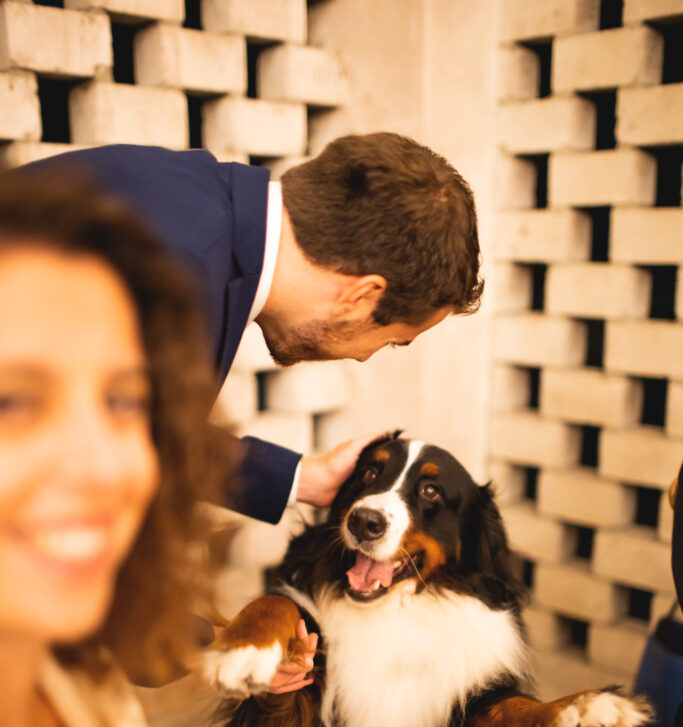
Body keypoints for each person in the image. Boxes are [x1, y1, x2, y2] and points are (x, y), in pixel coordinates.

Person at [0, 171, 448, 727]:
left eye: (126, 403)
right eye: (15, 401)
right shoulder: (182, 252)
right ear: (367, 294)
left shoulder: (83, 698)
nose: (112, 464)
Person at [28, 132, 483, 526]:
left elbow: (138, 426)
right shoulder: (173, 270)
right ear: (361, 296)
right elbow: (54, 461)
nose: (364, 356)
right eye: (390, 341)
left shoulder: (194, 204)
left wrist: (305, 479)